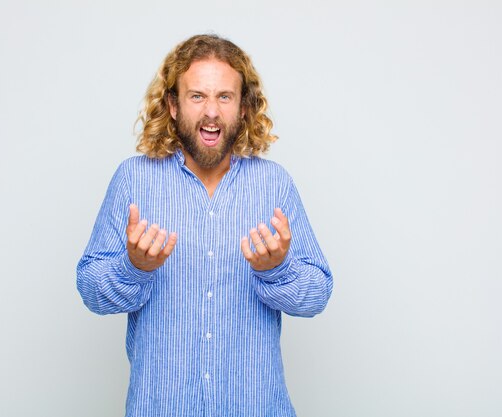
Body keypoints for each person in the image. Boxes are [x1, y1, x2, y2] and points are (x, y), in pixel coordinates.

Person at [77, 34, 333, 417]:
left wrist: (277, 271)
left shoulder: (274, 184)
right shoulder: (134, 180)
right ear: (173, 106)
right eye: (197, 96)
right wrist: (134, 269)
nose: (211, 111)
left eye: (224, 97)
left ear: (244, 107)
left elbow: (318, 294)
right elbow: (91, 290)